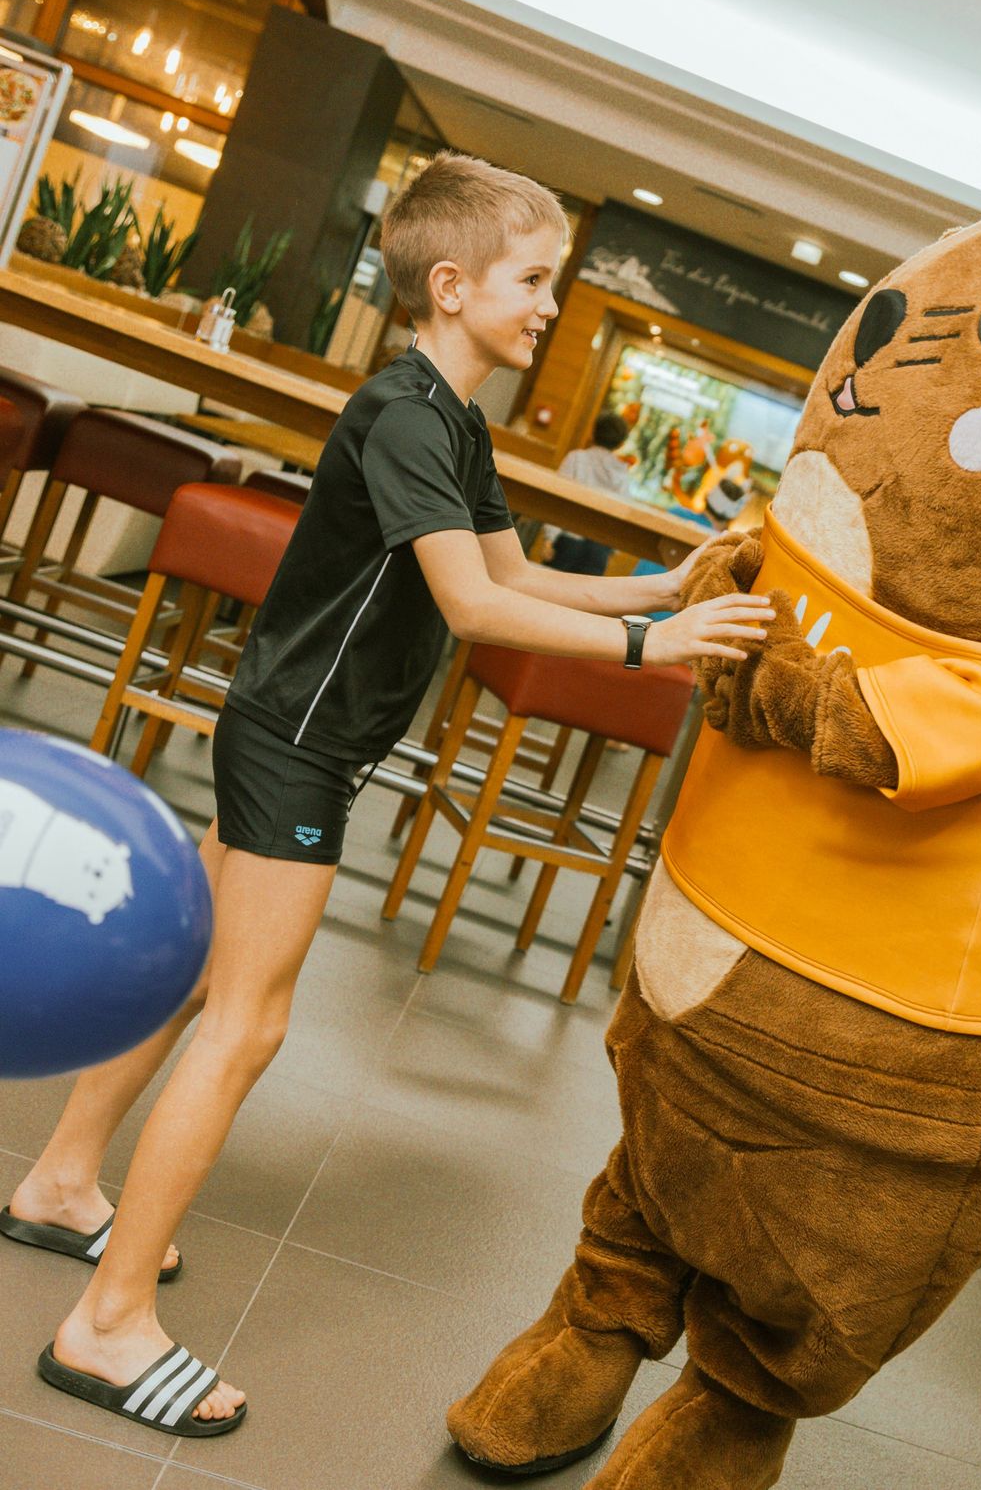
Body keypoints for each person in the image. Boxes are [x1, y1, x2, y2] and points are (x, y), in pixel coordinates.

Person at [1, 150, 773, 1439]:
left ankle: (63, 1182)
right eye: (534, 281)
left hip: (290, 726)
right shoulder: (413, 415)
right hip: (299, 741)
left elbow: (518, 574)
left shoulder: (449, 418)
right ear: (454, 284)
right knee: (246, 1024)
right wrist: (661, 655)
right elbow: (474, 612)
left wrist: (659, 589)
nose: (547, 305)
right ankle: (108, 1324)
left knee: (187, 967)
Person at [536, 410, 633, 576]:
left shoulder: (577, 458)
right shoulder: (622, 475)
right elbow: (621, 518)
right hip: (599, 550)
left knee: (547, 594)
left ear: (593, 432)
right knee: (578, 602)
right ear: (621, 443)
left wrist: (549, 538)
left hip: (568, 541)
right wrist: (612, 551)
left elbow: (558, 498)